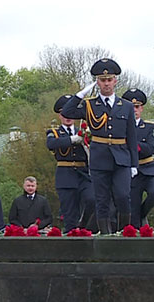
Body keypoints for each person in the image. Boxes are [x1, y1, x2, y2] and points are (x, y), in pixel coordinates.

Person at [62, 58, 137, 234]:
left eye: (109, 80)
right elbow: (67, 112)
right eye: (102, 80)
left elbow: (132, 137)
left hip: (121, 158)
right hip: (99, 158)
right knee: (101, 200)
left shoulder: (125, 106)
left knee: (122, 196)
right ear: (97, 82)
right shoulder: (89, 105)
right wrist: (80, 95)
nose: (106, 84)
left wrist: (134, 164)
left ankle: (124, 232)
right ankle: (106, 235)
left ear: (115, 81)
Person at [47, 94, 95, 233]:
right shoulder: (54, 132)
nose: (67, 116)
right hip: (65, 176)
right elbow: (51, 144)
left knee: (92, 199)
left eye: (70, 113)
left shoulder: (85, 131)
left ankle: (83, 225)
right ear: (60, 115)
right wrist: (72, 139)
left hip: (83, 174)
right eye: (64, 113)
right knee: (69, 213)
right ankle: (72, 241)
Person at [122, 88, 154, 228]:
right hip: (131, 171)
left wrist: (131, 144)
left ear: (141, 108)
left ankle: (144, 214)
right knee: (133, 209)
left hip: (147, 168)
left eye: (137, 107)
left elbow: (150, 148)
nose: (134, 110)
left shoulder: (149, 127)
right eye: (131, 107)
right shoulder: (121, 127)